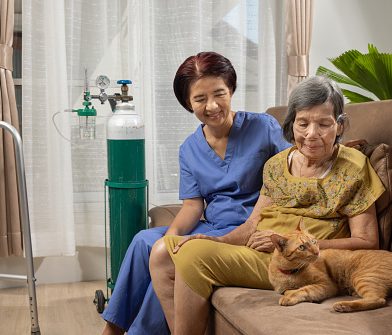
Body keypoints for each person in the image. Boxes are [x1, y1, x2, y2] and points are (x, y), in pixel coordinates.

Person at [149, 76, 386, 334]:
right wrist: (218, 242)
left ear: (339, 126)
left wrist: (295, 246)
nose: (311, 134)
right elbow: (253, 224)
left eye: (324, 124)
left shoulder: (353, 169)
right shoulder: (276, 165)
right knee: (163, 253)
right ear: (291, 124)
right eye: (303, 123)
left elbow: (367, 241)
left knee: (190, 255)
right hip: (259, 253)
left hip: (300, 265)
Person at [101, 51, 291, 335]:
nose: (212, 105)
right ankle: (113, 329)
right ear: (188, 103)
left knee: (169, 255)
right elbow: (192, 206)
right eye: (200, 99)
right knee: (145, 241)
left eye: (219, 94)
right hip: (211, 224)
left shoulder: (263, 126)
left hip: (248, 227)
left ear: (231, 90)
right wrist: (170, 236)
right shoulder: (189, 147)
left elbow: (293, 168)